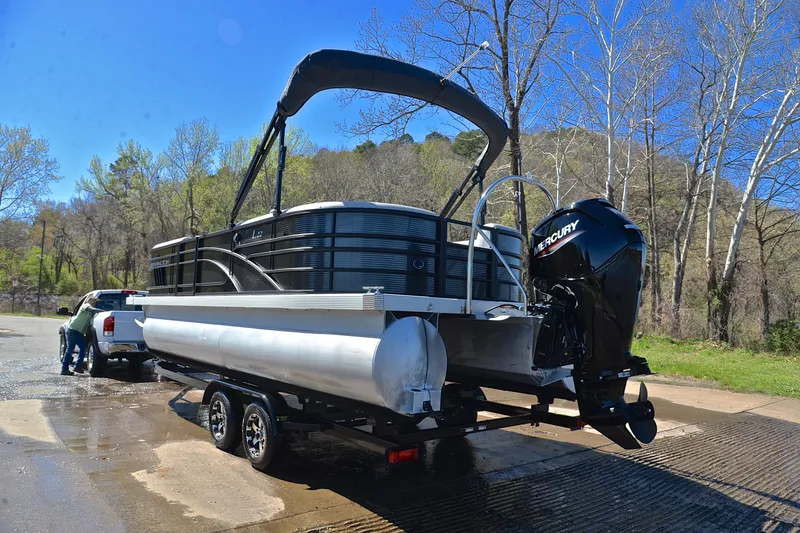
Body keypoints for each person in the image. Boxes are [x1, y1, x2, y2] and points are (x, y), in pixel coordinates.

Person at [60, 296, 104, 376]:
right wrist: (104, 311)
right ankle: (64, 369)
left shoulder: (91, 312)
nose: (95, 304)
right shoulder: (86, 306)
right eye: (94, 302)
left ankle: (77, 367)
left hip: (79, 332)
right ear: (90, 301)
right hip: (73, 329)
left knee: (83, 349)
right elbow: (91, 310)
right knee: (70, 349)